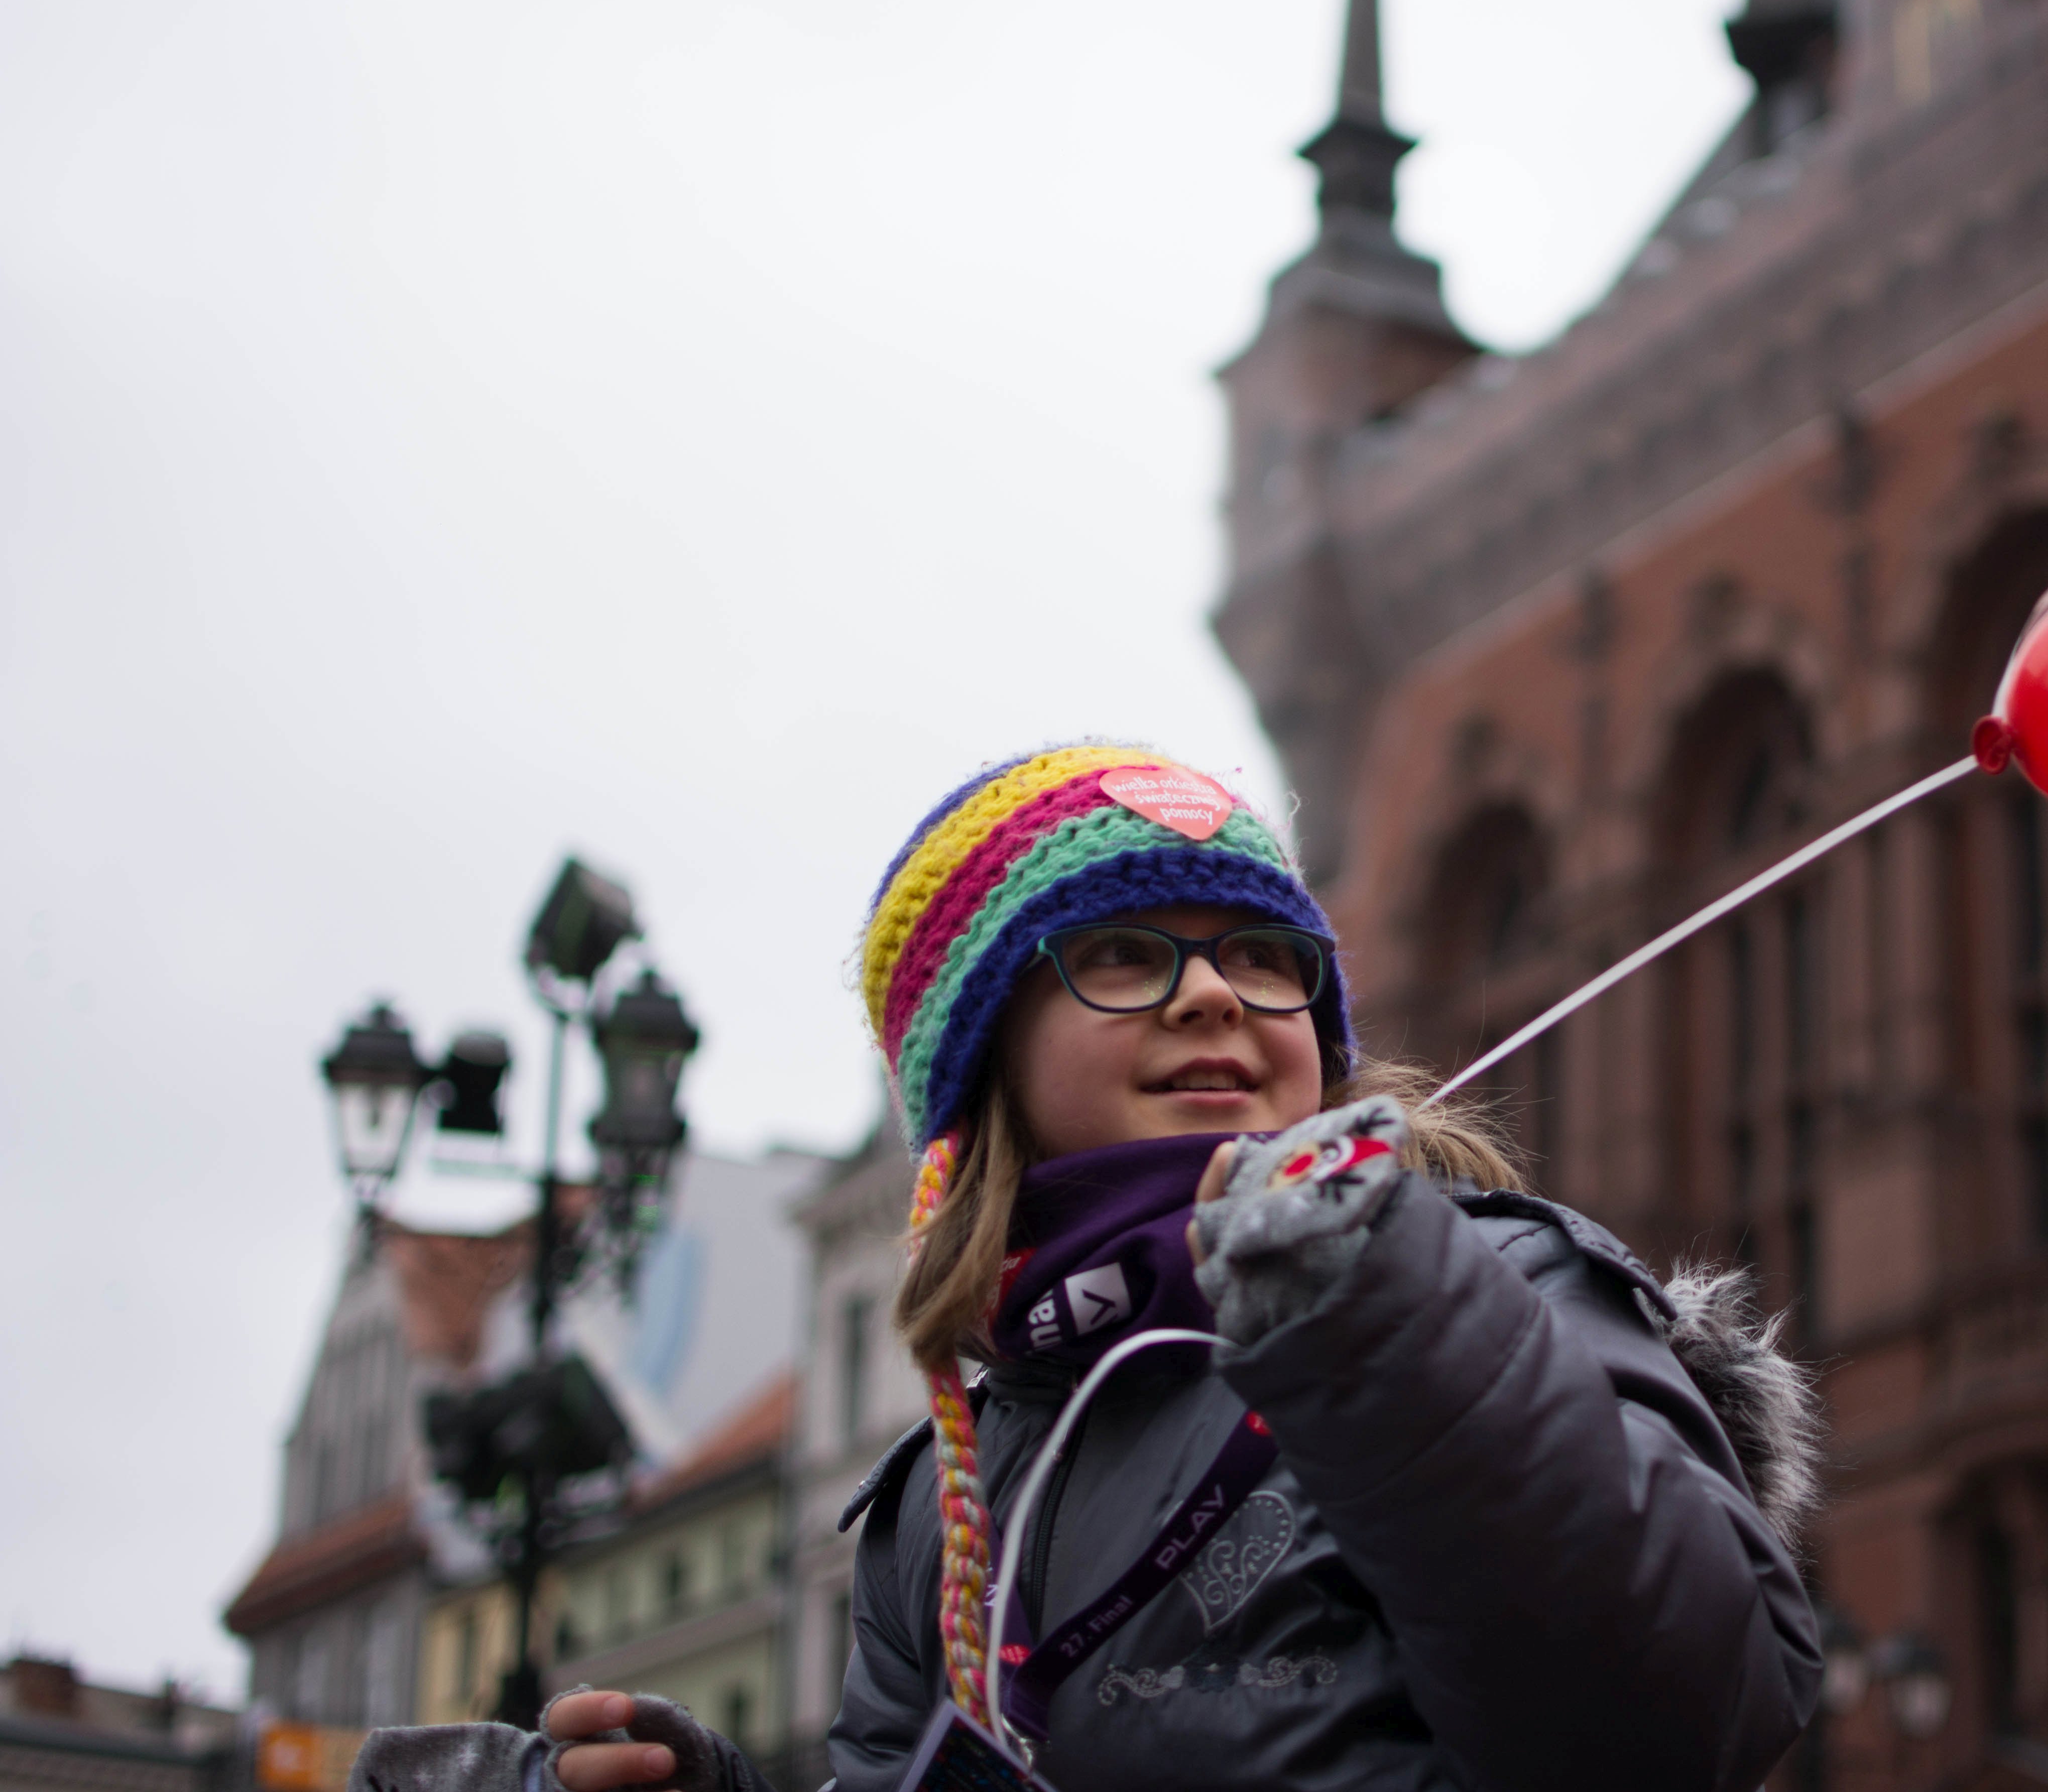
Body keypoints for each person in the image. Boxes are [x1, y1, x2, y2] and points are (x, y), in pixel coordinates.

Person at [353, 741, 1822, 1792]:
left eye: (1263, 957)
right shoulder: (942, 1493)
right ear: (988, 1066)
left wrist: (1386, 1321)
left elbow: (1681, 1727)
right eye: (1122, 954)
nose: (1210, 991)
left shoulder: (1499, 1282)